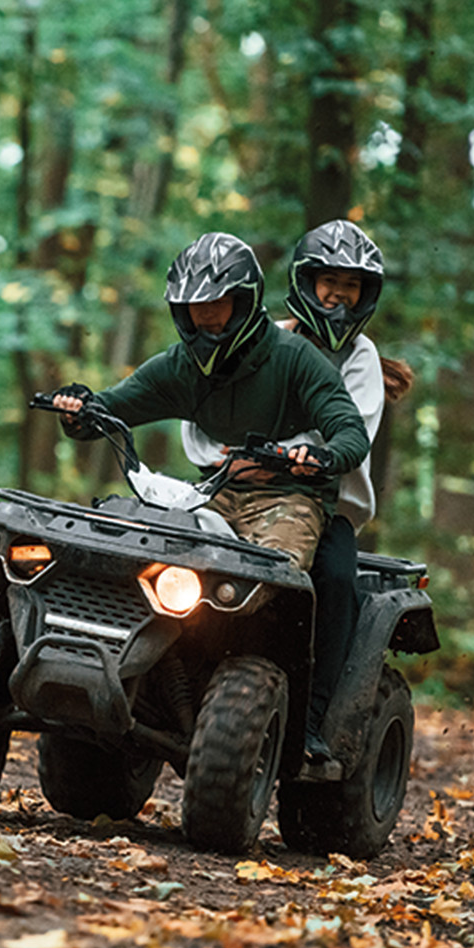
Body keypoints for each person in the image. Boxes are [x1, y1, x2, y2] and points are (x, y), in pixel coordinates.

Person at [51, 231, 370, 750]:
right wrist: (80, 409)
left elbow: (349, 429)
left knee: (275, 585)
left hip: (291, 498)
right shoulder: (180, 367)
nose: (207, 316)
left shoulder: (294, 359)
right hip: (216, 491)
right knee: (150, 549)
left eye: (218, 303)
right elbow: (112, 408)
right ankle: (148, 672)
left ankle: (298, 717)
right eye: (194, 306)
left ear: (243, 300)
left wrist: (327, 455)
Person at [179, 219, 413, 765]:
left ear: (364, 294)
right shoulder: (260, 339)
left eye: (350, 285)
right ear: (305, 282)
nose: (338, 293)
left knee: (333, 580)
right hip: (231, 489)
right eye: (328, 280)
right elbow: (207, 406)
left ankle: (313, 719)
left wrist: (277, 456)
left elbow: (345, 433)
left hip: (323, 507)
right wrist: (222, 457)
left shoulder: (360, 359)